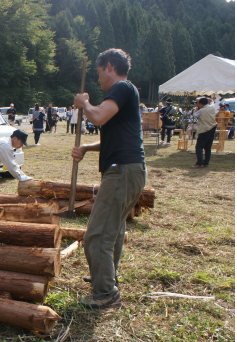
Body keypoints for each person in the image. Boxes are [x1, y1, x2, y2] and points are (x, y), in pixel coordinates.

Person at [71, 48, 146, 309]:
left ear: (110, 67)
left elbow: (98, 115)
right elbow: (112, 138)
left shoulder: (122, 88)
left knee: (97, 234)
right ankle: (106, 277)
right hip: (129, 170)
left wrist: (84, 104)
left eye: (99, 72)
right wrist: (87, 149)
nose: (98, 79)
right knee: (112, 231)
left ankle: (105, 293)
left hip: (123, 172)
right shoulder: (126, 94)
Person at [191, 97, 217, 168]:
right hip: (212, 128)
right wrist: (210, 100)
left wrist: (196, 108)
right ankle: (205, 163)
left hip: (205, 129)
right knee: (208, 147)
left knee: (199, 147)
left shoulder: (202, 110)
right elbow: (212, 103)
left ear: (200, 103)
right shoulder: (212, 107)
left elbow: (195, 115)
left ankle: (199, 163)